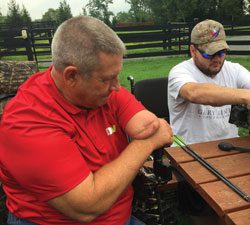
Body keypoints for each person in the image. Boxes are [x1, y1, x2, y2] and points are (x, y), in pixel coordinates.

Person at [0, 16, 173, 225]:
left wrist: (148, 130)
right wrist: (146, 143)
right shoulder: (27, 122)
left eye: (116, 76)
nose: (117, 87)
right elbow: (87, 207)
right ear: (71, 76)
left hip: (120, 216)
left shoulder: (100, 93)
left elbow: (146, 124)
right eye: (107, 79)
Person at [168, 19, 250, 144]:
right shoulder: (179, 72)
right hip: (190, 149)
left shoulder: (234, 69)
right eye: (209, 53)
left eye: (221, 52)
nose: (217, 58)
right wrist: (249, 96)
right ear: (193, 51)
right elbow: (194, 92)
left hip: (229, 146)